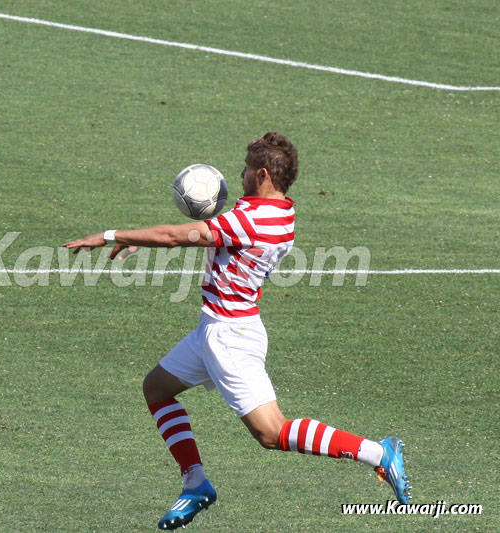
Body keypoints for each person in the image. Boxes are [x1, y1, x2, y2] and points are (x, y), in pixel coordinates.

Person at [64, 132, 410, 529]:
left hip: (230, 337)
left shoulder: (251, 219)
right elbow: (203, 234)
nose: (240, 175)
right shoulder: (278, 211)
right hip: (215, 329)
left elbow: (178, 236)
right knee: (156, 389)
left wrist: (112, 235)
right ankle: (195, 483)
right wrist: (155, 241)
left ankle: (376, 453)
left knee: (271, 432)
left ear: (262, 174)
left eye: (246, 169)